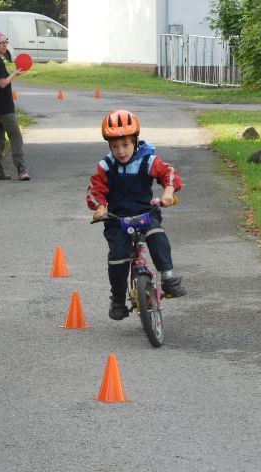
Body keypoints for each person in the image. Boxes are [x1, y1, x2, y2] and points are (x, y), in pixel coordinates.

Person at [86, 109, 186, 321]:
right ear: (109, 146)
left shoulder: (147, 160)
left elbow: (168, 173)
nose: (121, 151)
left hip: (145, 212)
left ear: (135, 141)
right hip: (117, 218)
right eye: (115, 147)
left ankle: (168, 277)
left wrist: (168, 192)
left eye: (125, 145)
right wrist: (100, 208)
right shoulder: (106, 166)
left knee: (156, 234)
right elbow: (96, 189)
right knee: (118, 257)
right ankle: (118, 300)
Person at [0, 32, 30, 181]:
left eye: (6, 42)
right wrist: (14, 74)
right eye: (1, 43)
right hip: (4, 107)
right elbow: (2, 83)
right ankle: (22, 170)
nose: (5, 45)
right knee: (16, 136)